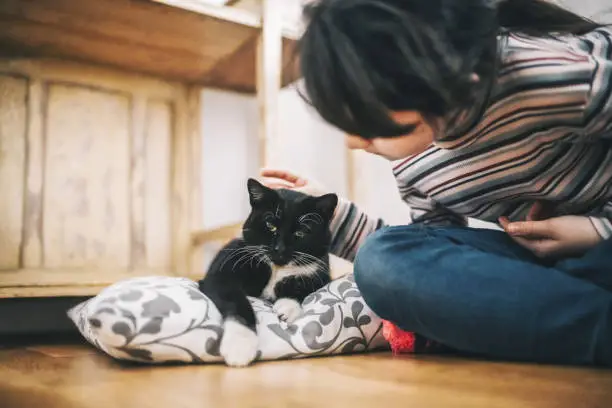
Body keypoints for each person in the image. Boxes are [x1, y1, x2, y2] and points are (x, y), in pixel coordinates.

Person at [262, 0, 612, 367]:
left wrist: (598, 230)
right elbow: (436, 255)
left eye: (366, 122)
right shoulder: (413, 161)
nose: (352, 142)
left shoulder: (552, 74)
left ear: (425, 79)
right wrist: (330, 219)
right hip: (551, 271)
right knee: (383, 260)